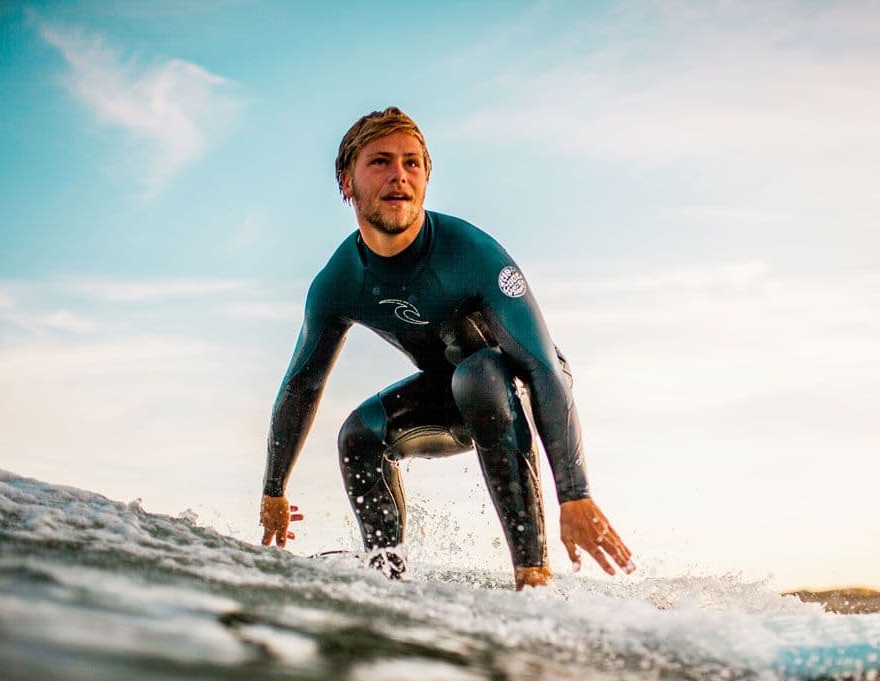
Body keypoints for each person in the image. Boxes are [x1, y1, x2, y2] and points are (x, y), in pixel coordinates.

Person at [259, 107, 634, 590]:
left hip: (517, 383)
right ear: (346, 182)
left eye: (412, 163)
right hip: (454, 396)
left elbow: (543, 368)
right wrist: (273, 491)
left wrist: (575, 494)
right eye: (380, 162)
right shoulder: (338, 283)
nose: (399, 175)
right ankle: (388, 581)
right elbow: (301, 384)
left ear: (426, 178)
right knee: (358, 434)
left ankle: (533, 581)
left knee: (479, 373)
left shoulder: (472, 253)